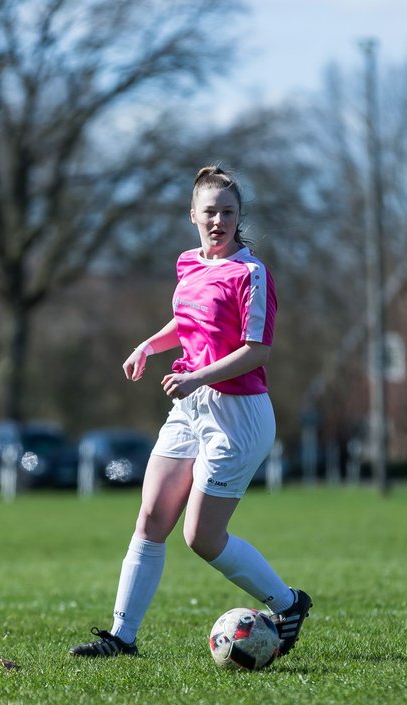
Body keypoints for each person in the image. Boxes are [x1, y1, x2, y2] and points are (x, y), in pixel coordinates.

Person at [70, 165, 312, 659]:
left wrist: (197, 376)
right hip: (191, 405)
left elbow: (256, 350)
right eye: (210, 212)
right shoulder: (187, 264)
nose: (219, 220)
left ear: (239, 216)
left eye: (228, 212)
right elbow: (188, 323)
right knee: (152, 515)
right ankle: (122, 638)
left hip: (238, 415)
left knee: (201, 537)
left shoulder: (251, 273)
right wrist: (148, 345)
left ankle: (287, 605)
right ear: (193, 216)